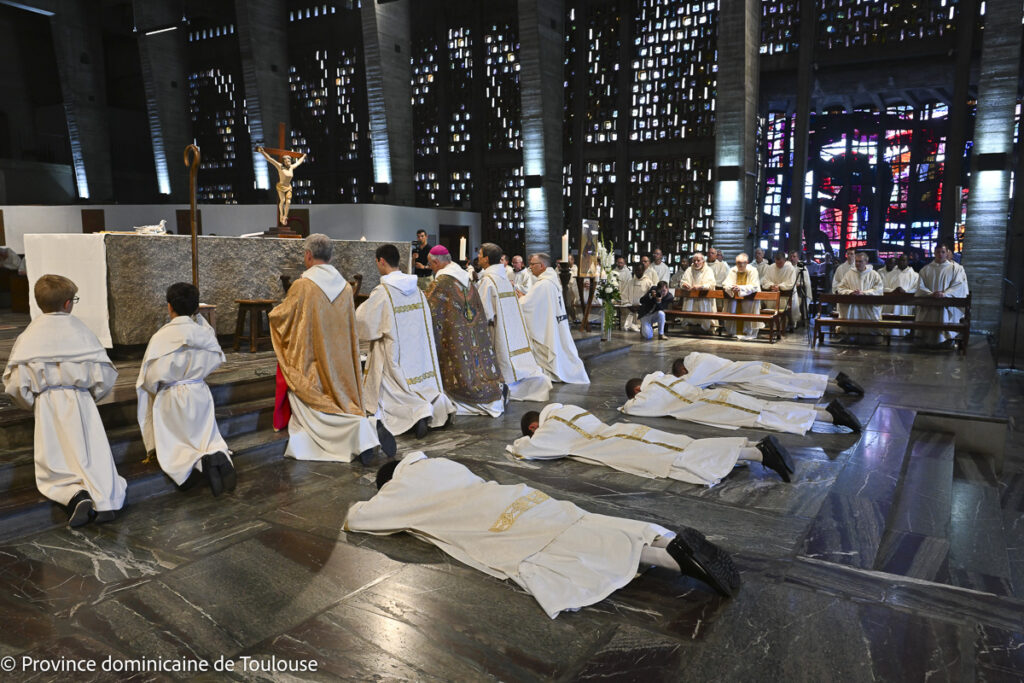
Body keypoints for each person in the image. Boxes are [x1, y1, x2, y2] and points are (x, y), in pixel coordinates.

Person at [345, 452, 743, 618]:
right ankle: (660, 539)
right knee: (582, 522)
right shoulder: (439, 463)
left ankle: (671, 560)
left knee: (569, 549)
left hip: (493, 523)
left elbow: (359, 520)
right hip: (516, 498)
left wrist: (372, 500)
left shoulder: (398, 491)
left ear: (388, 482)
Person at [3, 275, 125, 527]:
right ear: (68, 304)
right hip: (81, 400)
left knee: (55, 458)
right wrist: (91, 395)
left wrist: (31, 402)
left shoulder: (29, 338)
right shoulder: (82, 334)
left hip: (48, 403)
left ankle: (74, 495)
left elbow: (16, 385)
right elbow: (104, 375)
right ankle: (105, 499)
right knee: (92, 455)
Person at [270, 234, 387, 463]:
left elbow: (283, 318)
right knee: (343, 401)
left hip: (313, 364)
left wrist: (272, 315)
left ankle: (361, 431)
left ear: (308, 255)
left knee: (315, 405)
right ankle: (367, 428)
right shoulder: (344, 287)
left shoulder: (303, 286)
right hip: (340, 368)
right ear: (331, 256)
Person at [512, 403, 796, 482]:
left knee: (675, 458)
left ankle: (759, 455)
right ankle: (752, 451)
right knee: (680, 444)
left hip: (612, 445)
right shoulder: (568, 409)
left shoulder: (547, 431)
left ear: (534, 426)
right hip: (627, 431)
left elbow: (528, 449)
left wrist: (522, 441)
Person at [136, 283, 235, 496]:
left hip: (171, 397)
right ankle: (215, 455)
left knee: (177, 449)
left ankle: (193, 470)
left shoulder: (161, 338)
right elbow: (217, 358)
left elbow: (149, 377)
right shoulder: (203, 334)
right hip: (199, 392)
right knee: (205, 438)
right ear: (195, 308)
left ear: (169, 307)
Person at [356, 244, 455, 439]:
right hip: (418, 357)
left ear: (381, 261)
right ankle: (438, 406)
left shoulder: (383, 292)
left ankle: (417, 414)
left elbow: (363, 321)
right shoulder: (416, 290)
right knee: (423, 388)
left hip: (395, 356)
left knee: (389, 391)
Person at [622, 372, 861, 437]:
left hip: (713, 406)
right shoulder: (664, 378)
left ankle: (829, 417)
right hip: (717, 397)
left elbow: (633, 407)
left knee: (764, 415)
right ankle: (824, 412)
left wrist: (625, 405)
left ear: (636, 390)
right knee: (765, 406)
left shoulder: (648, 394)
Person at [426, 245, 507, 416]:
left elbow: (429, 310)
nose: (430, 268)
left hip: (455, 336)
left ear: (436, 262)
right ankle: (491, 386)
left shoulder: (441, 283)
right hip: (472, 333)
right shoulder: (466, 279)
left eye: (430, 265)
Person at [476, 243, 552, 402]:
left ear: (487, 259)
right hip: (509, 330)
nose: (478, 257)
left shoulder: (488, 281)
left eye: (480, 254)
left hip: (496, 330)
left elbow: (484, 313)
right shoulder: (503, 278)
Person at [519, 252, 590, 384]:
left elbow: (528, 305)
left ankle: (552, 371)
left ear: (541, 266)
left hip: (547, 326)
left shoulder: (544, 284)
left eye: (532, 264)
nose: (530, 267)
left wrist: (520, 298)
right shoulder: (550, 280)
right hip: (554, 322)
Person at [672, 352, 864, 399]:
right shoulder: (702, 358)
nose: (683, 375)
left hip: (748, 374)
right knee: (789, 377)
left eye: (681, 373)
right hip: (748, 369)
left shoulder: (698, 364)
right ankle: (833, 381)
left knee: (786, 383)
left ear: (683, 368)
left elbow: (691, 383)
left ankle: (836, 385)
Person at [915, 244, 969, 347]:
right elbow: (920, 287)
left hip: (947, 304)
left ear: (947, 253)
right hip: (929, 303)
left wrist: (945, 294)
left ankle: (947, 342)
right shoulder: (925, 269)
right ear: (934, 253)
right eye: (938, 252)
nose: (940, 254)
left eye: (943, 252)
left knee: (945, 321)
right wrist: (931, 294)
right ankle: (928, 343)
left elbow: (959, 286)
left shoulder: (956, 269)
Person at [836, 252, 884, 340]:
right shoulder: (849, 274)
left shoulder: (874, 274)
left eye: (860, 261)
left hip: (868, 306)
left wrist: (864, 293)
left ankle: (870, 339)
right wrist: (850, 292)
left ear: (866, 261)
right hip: (852, 305)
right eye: (856, 261)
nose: (857, 264)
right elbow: (840, 288)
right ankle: (848, 337)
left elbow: (878, 290)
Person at [256, 146, 307, 226]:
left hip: (288, 187)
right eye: (286, 162)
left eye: (289, 161)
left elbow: (299, 162)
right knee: (282, 201)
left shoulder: (291, 167)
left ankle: (285, 217)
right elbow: (270, 159)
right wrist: (262, 152)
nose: (288, 163)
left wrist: (303, 156)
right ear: (284, 162)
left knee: (288, 201)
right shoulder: (280, 166)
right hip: (281, 186)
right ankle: (281, 216)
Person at [722, 253, 762, 340]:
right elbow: (725, 284)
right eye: (738, 263)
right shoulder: (733, 270)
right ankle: (734, 332)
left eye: (742, 262)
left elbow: (754, 286)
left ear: (747, 262)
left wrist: (740, 288)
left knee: (748, 315)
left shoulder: (753, 271)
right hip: (734, 299)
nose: (739, 265)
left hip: (749, 299)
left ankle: (748, 332)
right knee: (733, 311)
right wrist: (731, 288)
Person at [677, 252, 718, 333]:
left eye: (698, 260)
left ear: (703, 261)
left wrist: (700, 287)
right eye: (694, 260)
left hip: (704, 297)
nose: (696, 262)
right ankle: (691, 328)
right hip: (691, 297)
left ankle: (706, 329)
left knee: (704, 313)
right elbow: (683, 281)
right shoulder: (689, 269)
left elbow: (711, 284)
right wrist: (684, 285)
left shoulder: (708, 270)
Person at [882, 253, 921, 335]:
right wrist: (893, 291)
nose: (901, 262)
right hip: (891, 301)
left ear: (908, 262)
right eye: (900, 260)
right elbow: (883, 287)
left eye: (904, 260)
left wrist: (905, 292)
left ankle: (905, 333)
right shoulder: (890, 274)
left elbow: (916, 289)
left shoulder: (915, 275)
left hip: (906, 303)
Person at [761, 252, 797, 329]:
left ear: (785, 260)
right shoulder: (771, 267)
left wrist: (780, 287)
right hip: (772, 295)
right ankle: (770, 325)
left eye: (780, 263)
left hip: (784, 297)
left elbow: (791, 283)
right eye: (776, 263)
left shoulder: (790, 268)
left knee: (783, 306)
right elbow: (765, 280)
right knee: (769, 306)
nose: (778, 265)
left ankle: (782, 326)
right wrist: (771, 285)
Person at [619, 262, 651, 332]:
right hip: (630, 308)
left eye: (639, 270)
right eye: (635, 270)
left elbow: (650, 298)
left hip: (642, 308)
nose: (637, 272)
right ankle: (629, 325)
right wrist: (629, 306)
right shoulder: (630, 282)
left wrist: (641, 306)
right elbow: (624, 295)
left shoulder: (648, 282)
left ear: (643, 270)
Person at [830, 247, 859, 319]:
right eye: (848, 254)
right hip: (843, 296)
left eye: (852, 254)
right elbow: (835, 281)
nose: (849, 256)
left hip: (855, 296)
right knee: (843, 316)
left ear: (855, 255)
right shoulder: (840, 268)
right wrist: (837, 290)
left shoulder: (859, 267)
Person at [788, 250, 813, 326]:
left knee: (796, 302)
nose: (792, 258)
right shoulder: (787, 266)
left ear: (798, 258)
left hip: (800, 292)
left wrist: (798, 284)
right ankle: (787, 321)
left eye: (794, 256)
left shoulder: (801, 266)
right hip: (788, 290)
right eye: (791, 257)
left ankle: (796, 320)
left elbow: (806, 282)